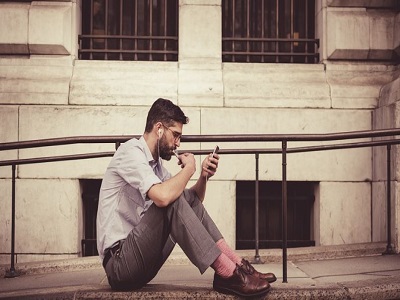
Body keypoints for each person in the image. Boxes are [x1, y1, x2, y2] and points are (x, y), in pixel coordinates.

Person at [96, 98, 276, 297]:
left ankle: (238, 266)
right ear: (159, 129)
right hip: (120, 264)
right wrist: (189, 168)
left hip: (142, 262)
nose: (178, 143)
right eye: (175, 135)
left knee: (180, 197)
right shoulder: (130, 153)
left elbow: (192, 201)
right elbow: (164, 198)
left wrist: (203, 176)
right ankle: (228, 273)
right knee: (169, 199)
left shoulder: (156, 167)